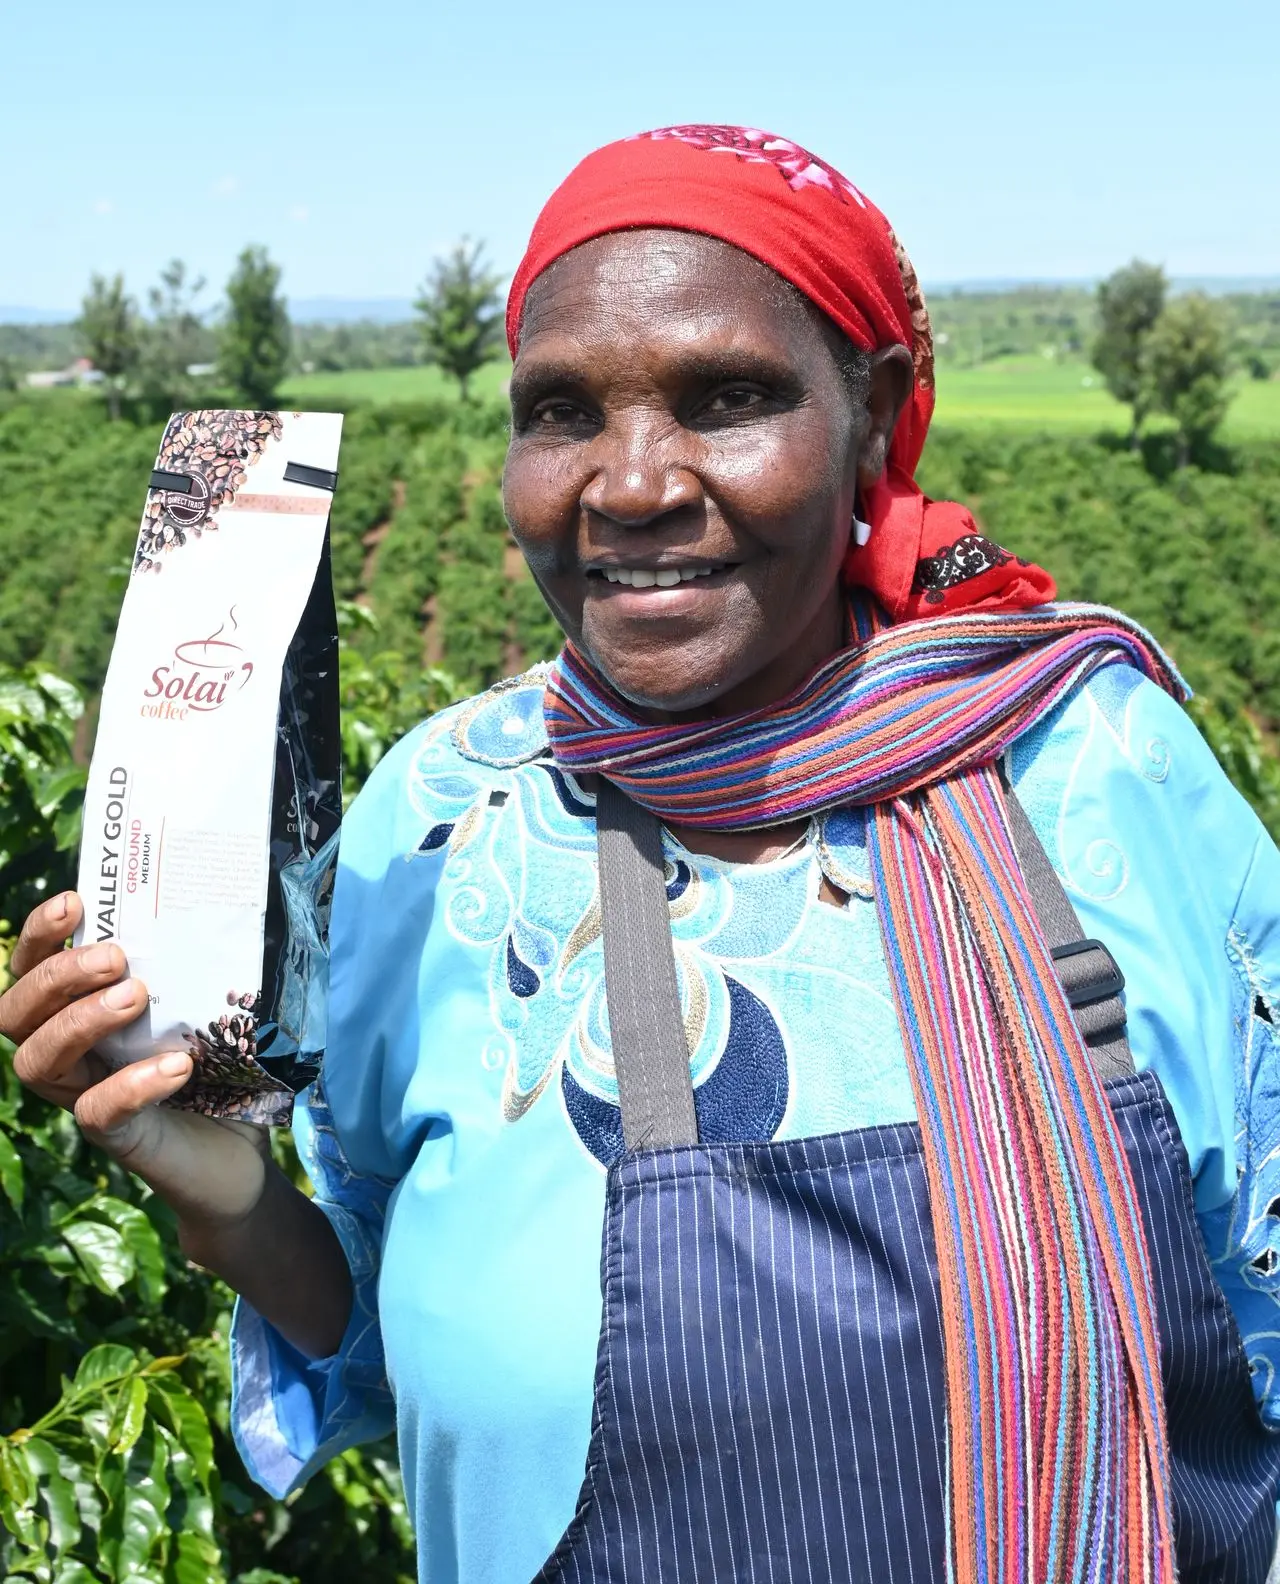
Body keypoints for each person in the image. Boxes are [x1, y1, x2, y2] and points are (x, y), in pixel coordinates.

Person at [4, 125, 1280, 1584]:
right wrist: (212, 1180)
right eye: (560, 414)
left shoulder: (1088, 774)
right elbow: (360, 1337)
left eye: (725, 398)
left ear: (870, 416)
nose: (631, 483)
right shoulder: (442, 823)